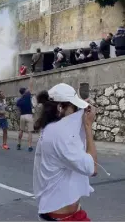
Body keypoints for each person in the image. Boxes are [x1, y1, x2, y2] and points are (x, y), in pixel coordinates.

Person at [33, 83, 97, 221]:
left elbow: (72, 129)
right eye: (74, 108)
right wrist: (88, 125)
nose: (76, 113)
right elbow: (92, 168)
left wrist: (82, 107)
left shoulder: (51, 128)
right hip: (62, 217)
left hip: (66, 213)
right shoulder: (60, 135)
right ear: (60, 108)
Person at [16, 76, 34, 152]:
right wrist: (31, 77)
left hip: (22, 116)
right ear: (25, 91)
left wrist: (19, 116)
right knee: (30, 131)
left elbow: (18, 111)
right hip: (29, 115)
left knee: (21, 130)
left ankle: (19, 144)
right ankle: (29, 146)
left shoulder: (19, 101)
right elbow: (30, 86)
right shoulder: (28, 95)